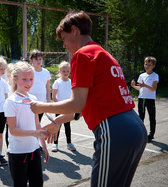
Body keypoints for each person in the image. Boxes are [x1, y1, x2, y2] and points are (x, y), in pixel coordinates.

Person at [30, 11, 147, 187]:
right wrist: (58, 121)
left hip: (114, 130)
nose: (64, 45)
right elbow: (87, 106)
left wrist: (40, 106)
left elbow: (76, 103)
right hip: (134, 127)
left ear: (75, 31)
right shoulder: (103, 54)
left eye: (64, 38)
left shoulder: (82, 55)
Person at [3, 61, 49, 187]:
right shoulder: (11, 102)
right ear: (15, 79)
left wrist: (44, 147)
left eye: (31, 79)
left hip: (34, 150)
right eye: (24, 79)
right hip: (18, 153)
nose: (28, 83)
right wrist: (35, 133)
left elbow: (37, 125)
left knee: (37, 183)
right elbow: (13, 130)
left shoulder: (33, 99)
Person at [131, 56, 159, 143]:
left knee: (152, 117)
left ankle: (151, 135)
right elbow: (141, 88)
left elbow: (153, 89)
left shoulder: (155, 76)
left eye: (149, 64)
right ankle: (141, 134)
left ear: (153, 66)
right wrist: (133, 86)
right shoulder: (141, 75)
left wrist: (144, 85)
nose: (147, 66)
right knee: (141, 117)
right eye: (146, 64)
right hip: (141, 99)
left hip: (150, 99)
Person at [51, 61, 76, 152]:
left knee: (67, 125)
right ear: (59, 71)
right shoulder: (57, 82)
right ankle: (55, 143)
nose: (65, 73)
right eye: (63, 71)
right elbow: (53, 96)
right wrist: (59, 106)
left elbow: (73, 94)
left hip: (68, 108)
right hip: (59, 108)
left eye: (67, 71)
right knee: (57, 125)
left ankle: (69, 143)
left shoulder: (71, 82)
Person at [28, 49, 51, 122]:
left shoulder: (46, 72)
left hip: (41, 102)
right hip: (30, 103)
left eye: (40, 59)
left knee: (38, 122)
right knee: (30, 124)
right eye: (36, 59)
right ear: (31, 60)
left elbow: (47, 88)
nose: (38, 61)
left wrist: (48, 101)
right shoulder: (28, 71)